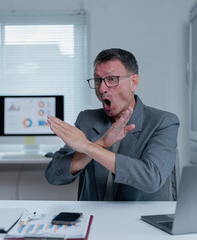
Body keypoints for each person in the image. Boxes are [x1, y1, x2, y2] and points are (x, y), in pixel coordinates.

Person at [45, 48, 179, 201]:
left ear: (133, 82)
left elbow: (151, 179)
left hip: (139, 220)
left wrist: (87, 146)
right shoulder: (87, 119)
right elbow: (54, 175)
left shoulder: (163, 121)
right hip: (94, 218)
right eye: (97, 80)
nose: (102, 89)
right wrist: (100, 143)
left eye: (112, 79)